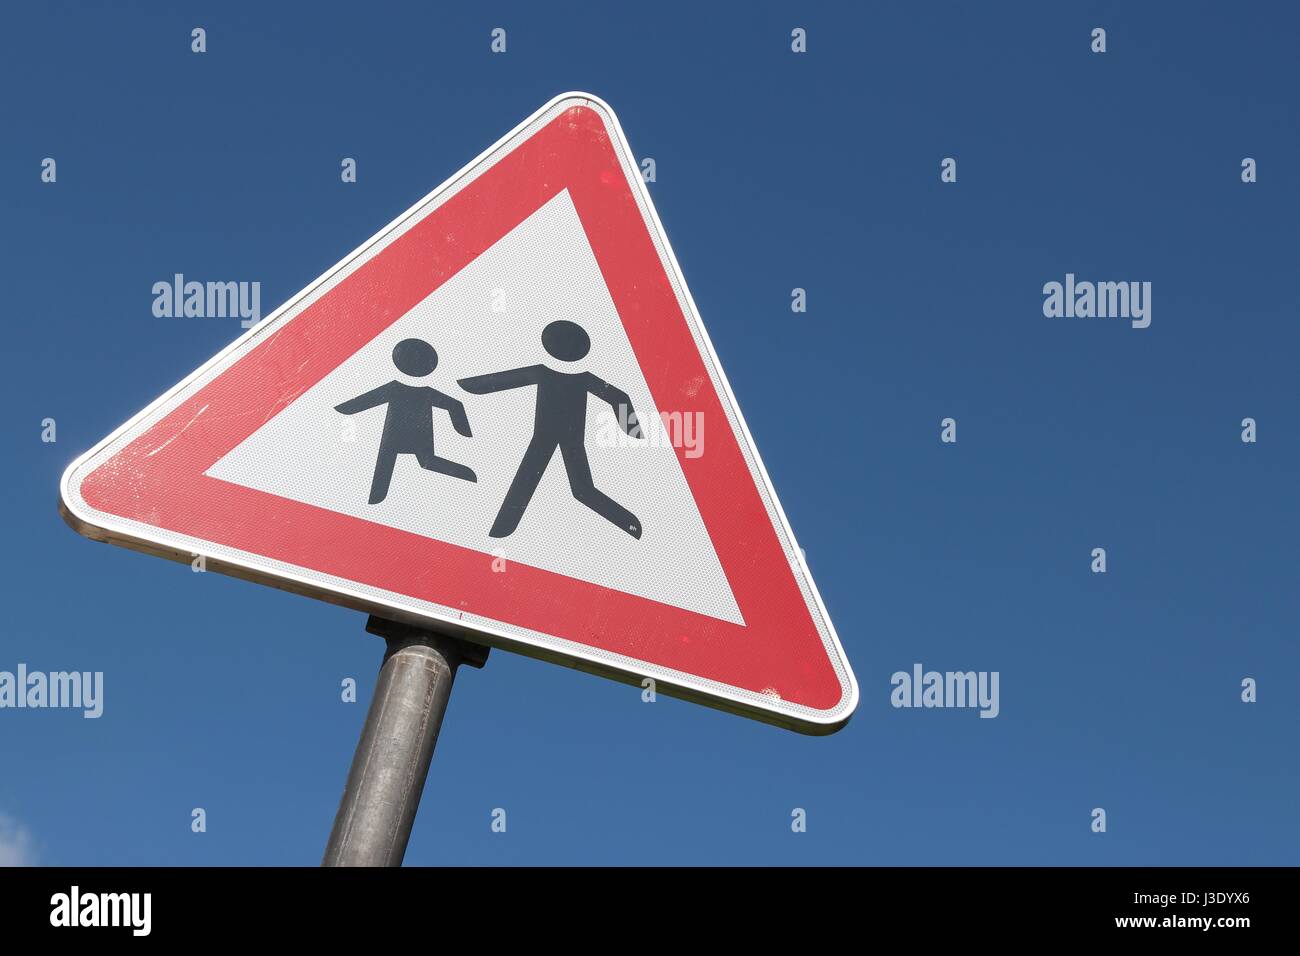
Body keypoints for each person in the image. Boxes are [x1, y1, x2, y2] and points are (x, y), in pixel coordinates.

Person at [459, 320, 642, 538]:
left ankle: (629, 524)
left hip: (562, 438)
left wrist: (634, 431)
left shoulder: (551, 374)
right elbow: (619, 397)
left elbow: (498, 381)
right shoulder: (562, 376)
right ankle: (501, 528)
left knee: (572, 488)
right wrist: (632, 430)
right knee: (572, 488)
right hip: (551, 438)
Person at [335, 338, 476, 505]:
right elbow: (455, 405)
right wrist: (462, 429)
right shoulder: (415, 391)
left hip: (400, 434)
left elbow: (454, 405)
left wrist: (345, 409)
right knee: (414, 462)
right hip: (403, 434)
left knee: (407, 462)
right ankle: (375, 499)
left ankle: (466, 474)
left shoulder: (400, 389)